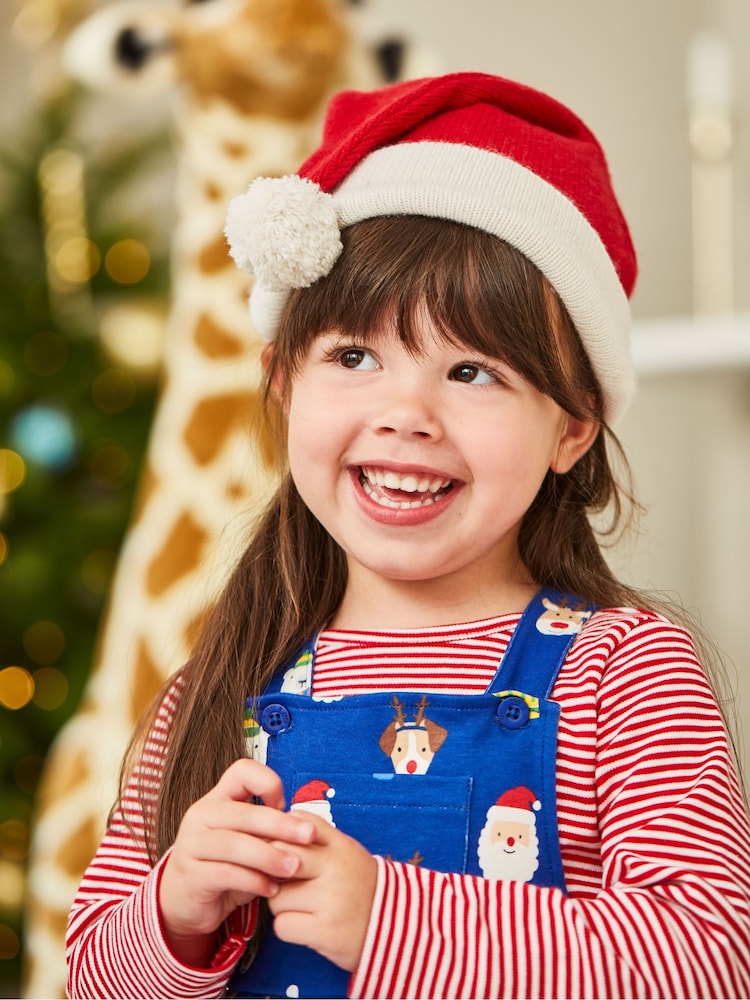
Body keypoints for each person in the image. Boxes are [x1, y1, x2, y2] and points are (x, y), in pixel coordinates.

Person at [66, 72, 750, 1000]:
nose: (406, 415)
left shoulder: (622, 674)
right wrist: (176, 913)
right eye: (354, 357)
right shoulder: (224, 678)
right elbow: (94, 974)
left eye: (472, 371)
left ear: (572, 428)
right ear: (283, 384)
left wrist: (389, 918)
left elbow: (708, 959)